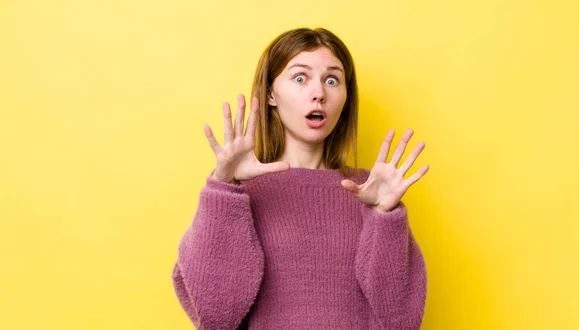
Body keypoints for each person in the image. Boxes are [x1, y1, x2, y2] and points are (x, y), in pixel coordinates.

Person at [171, 27, 430, 329]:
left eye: (332, 80)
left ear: (345, 99)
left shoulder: (370, 192)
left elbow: (402, 321)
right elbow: (215, 315)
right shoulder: (238, 192)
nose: (319, 92)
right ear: (270, 94)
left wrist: (385, 217)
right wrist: (224, 188)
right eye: (300, 78)